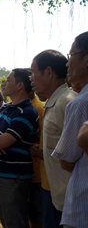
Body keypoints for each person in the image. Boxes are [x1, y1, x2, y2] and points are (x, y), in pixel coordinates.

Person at [0, 68, 39, 228]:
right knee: (6, 221)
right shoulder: (6, 108)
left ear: (19, 86)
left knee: (15, 222)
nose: (4, 83)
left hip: (14, 178)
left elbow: (3, 141)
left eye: (8, 80)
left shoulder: (26, 112)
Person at [30, 49, 76, 228]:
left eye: (33, 72)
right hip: (56, 193)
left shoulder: (68, 102)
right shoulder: (53, 102)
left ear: (48, 72)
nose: (31, 78)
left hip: (68, 200)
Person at [52, 31, 88, 228]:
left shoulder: (79, 104)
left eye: (71, 56)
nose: (68, 64)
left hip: (81, 210)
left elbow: (66, 161)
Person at [28, 90, 44, 228]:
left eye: (9, 81)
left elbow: (41, 142)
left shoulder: (38, 108)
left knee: (36, 214)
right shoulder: (12, 106)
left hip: (36, 172)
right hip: (24, 171)